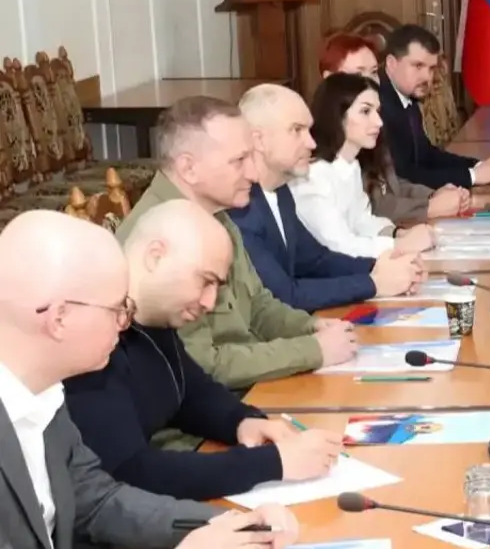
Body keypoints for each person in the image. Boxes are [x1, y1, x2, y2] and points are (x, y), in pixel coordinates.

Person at [0, 211, 298, 549]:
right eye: (117, 309)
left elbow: (98, 501)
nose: (125, 325)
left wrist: (229, 528)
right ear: (59, 318)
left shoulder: (42, 391)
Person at [64, 200, 344, 501]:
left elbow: (190, 392)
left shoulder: (157, 317)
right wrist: (271, 464)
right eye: (205, 281)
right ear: (155, 256)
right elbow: (131, 471)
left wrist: (242, 422)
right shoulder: (91, 339)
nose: (210, 302)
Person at [116, 96, 358, 391]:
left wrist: (310, 328)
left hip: (251, 387)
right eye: (239, 161)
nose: (253, 174)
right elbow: (204, 366)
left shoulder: (215, 213)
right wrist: (312, 350)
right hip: (215, 407)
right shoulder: (164, 241)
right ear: (189, 168)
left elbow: (258, 304)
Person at [231, 84, 425, 312]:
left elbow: (316, 261)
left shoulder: (280, 192)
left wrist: (380, 266)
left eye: (308, 130)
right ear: (258, 140)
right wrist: (374, 283)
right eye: (297, 130)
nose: (311, 143)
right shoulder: (240, 208)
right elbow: (285, 295)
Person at [294, 73, 466, 258]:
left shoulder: (351, 165)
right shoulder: (313, 177)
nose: (379, 122)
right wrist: (399, 245)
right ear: (336, 114)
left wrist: (397, 233)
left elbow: (362, 220)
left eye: (377, 111)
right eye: (365, 111)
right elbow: (339, 245)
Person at [379, 24, 490, 189]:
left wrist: (478, 166)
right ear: (391, 64)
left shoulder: (406, 97)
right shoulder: (380, 105)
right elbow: (404, 176)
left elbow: (427, 156)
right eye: (418, 66)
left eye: (431, 68)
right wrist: (472, 176)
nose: (427, 77)